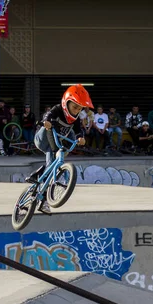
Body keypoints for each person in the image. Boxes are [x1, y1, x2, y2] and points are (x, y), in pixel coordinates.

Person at [28, 84, 93, 214]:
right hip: (43, 139)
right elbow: (48, 114)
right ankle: (46, 168)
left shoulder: (75, 119)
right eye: (74, 107)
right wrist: (46, 121)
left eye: (79, 109)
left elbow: (79, 130)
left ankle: (43, 193)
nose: (76, 111)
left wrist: (81, 138)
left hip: (56, 142)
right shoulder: (58, 110)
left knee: (69, 141)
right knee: (51, 130)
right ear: (66, 103)